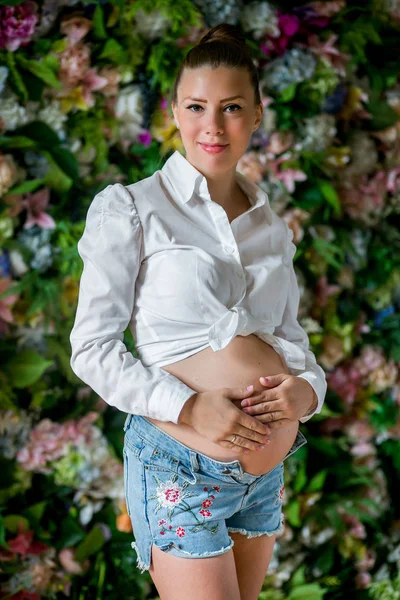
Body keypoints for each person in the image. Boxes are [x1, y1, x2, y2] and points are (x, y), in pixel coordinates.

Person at [69, 22, 327, 600]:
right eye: (196, 105)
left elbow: (290, 342)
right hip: (179, 464)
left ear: (257, 115)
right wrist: (187, 407)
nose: (213, 125)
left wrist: (307, 392)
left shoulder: (271, 226)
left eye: (232, 107)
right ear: (175, 111)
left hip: (260, 479)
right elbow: (92, 350)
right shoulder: (130, 209)